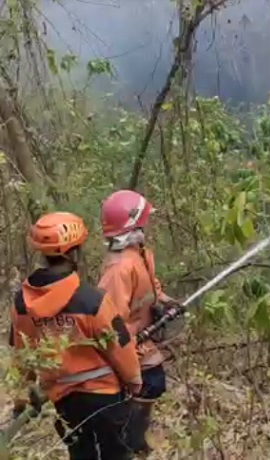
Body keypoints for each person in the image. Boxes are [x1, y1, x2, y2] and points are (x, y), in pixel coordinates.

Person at [9, 212, 142, 460]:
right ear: (74, 253)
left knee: (81, 454)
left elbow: (22, 356)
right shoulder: (92, 300)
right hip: (106, 398)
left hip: (64, 401)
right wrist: (135, 381)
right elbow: (119, 344)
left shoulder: (22, 305)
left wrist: (22, 399)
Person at [98, 189, 182, 456]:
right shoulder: (119, 268)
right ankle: (127, 442)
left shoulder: (141, 253)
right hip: (128, 343)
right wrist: (126, 350)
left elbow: (151, 287)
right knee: (148, 384)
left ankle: (134, 437)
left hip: (142, 339)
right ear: (133, 226)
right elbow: (109, 319)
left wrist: (166, 301)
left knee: (155, 383)